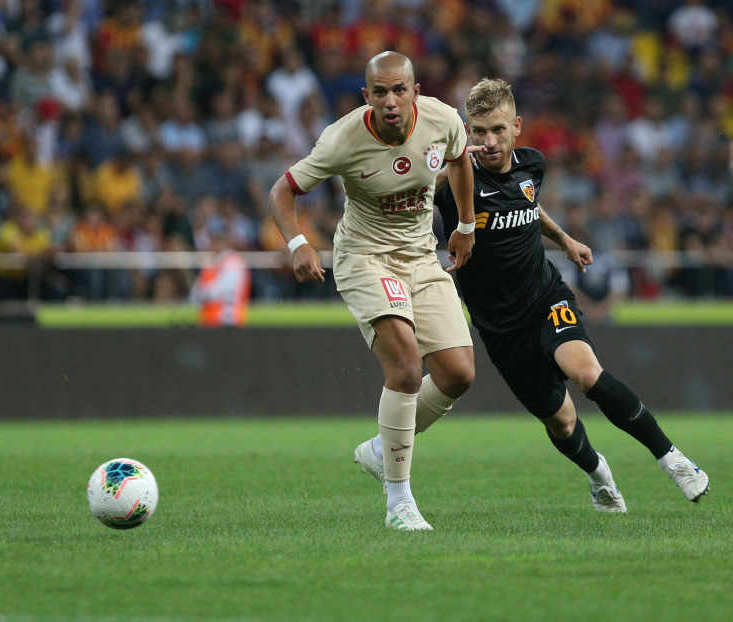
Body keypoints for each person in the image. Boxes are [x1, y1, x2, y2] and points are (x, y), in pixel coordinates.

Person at [431, 78, 708, 512]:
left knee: (587, 373)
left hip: (545, 297)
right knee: (561, 422)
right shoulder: (454, 181)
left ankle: (672, 459)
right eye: (479, 132)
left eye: (498, 130)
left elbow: (527, 205)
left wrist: (563, 239)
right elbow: (410, 191)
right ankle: (598, 473)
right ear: (468, 132)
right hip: (500, 328)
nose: (490, 142)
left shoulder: (533, 164)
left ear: (516, 127)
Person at [269, 52, 478, 531]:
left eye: (399, 90)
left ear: (415, 92)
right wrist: (298, 243)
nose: (390, 101)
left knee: (459, 373)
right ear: (367, 96)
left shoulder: (443, 120)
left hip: (421, 256)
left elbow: (460, 160)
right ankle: (399, 502)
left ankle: (382, 450)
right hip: (366, 258)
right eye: (380, 92)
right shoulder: (342, 138)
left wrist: (466, 225)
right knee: (406, 366)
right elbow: (282, 191)